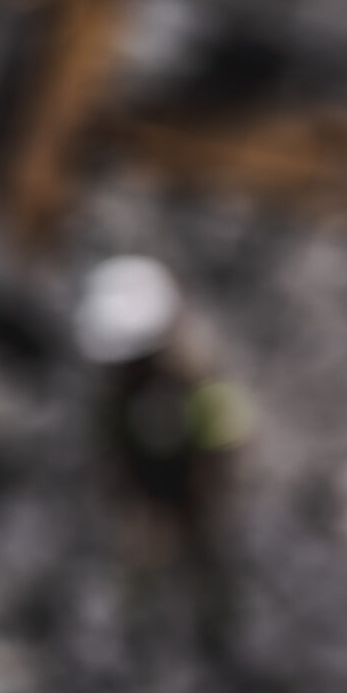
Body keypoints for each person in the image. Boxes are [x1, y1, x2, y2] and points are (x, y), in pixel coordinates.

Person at [73, 255, 247, 664]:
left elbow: (225, 432)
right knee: (141, 557)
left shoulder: (193, 378)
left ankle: (214, 633)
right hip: (147, 488)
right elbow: (110, 439)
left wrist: (213, 477)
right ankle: (136, 638)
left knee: (202, 559)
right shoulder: (119, 391)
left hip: (190, 485)